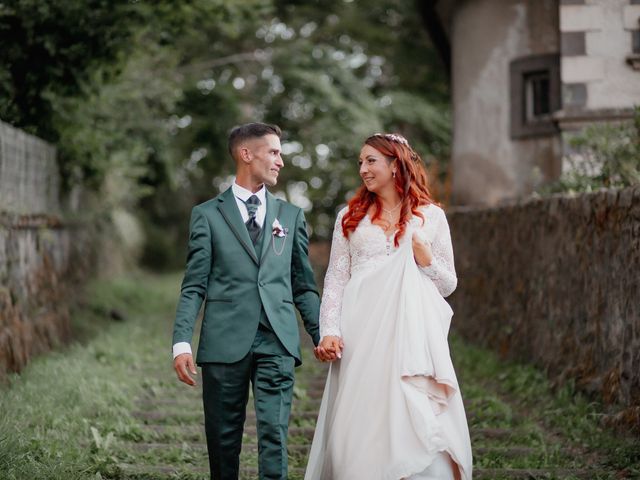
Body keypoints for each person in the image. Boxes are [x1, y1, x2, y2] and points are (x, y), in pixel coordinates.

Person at [306, 133, 473, 480]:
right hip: (360, 331)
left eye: (371, 161)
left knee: (410, 407)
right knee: (358, 416)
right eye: (360, 163)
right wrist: (330, 331)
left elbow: (447, 284)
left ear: (395, 164)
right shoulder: (348, 217)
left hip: (410, 334)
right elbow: (336, 280)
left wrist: (425, 259)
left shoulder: (432, 217)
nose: (363, 169)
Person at [172, 122, 321, 480]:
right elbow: (194, 285)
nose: (280, 162)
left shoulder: (291, 216)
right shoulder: (207, 215)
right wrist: (181, 342)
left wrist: (322, 334)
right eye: (273, 152)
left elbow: (303, 286)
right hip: (224, 341)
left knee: (274, 435)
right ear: (245, 154)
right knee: (223, 441)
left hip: (278, 339)